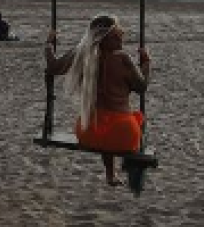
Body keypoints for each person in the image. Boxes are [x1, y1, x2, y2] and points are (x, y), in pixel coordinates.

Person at [44, 15, 151, 186]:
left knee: (103, 123)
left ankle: (110, 174)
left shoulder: (82, 54)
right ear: (106, 36)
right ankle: (124, 172)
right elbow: (141, 87)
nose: (122, 34)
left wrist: (49, 44)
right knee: (124, 125)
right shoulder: (123, 59)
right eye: (118, 32)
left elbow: (53, 67)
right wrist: (146, 62)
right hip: (123, 135)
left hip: (89, 133)